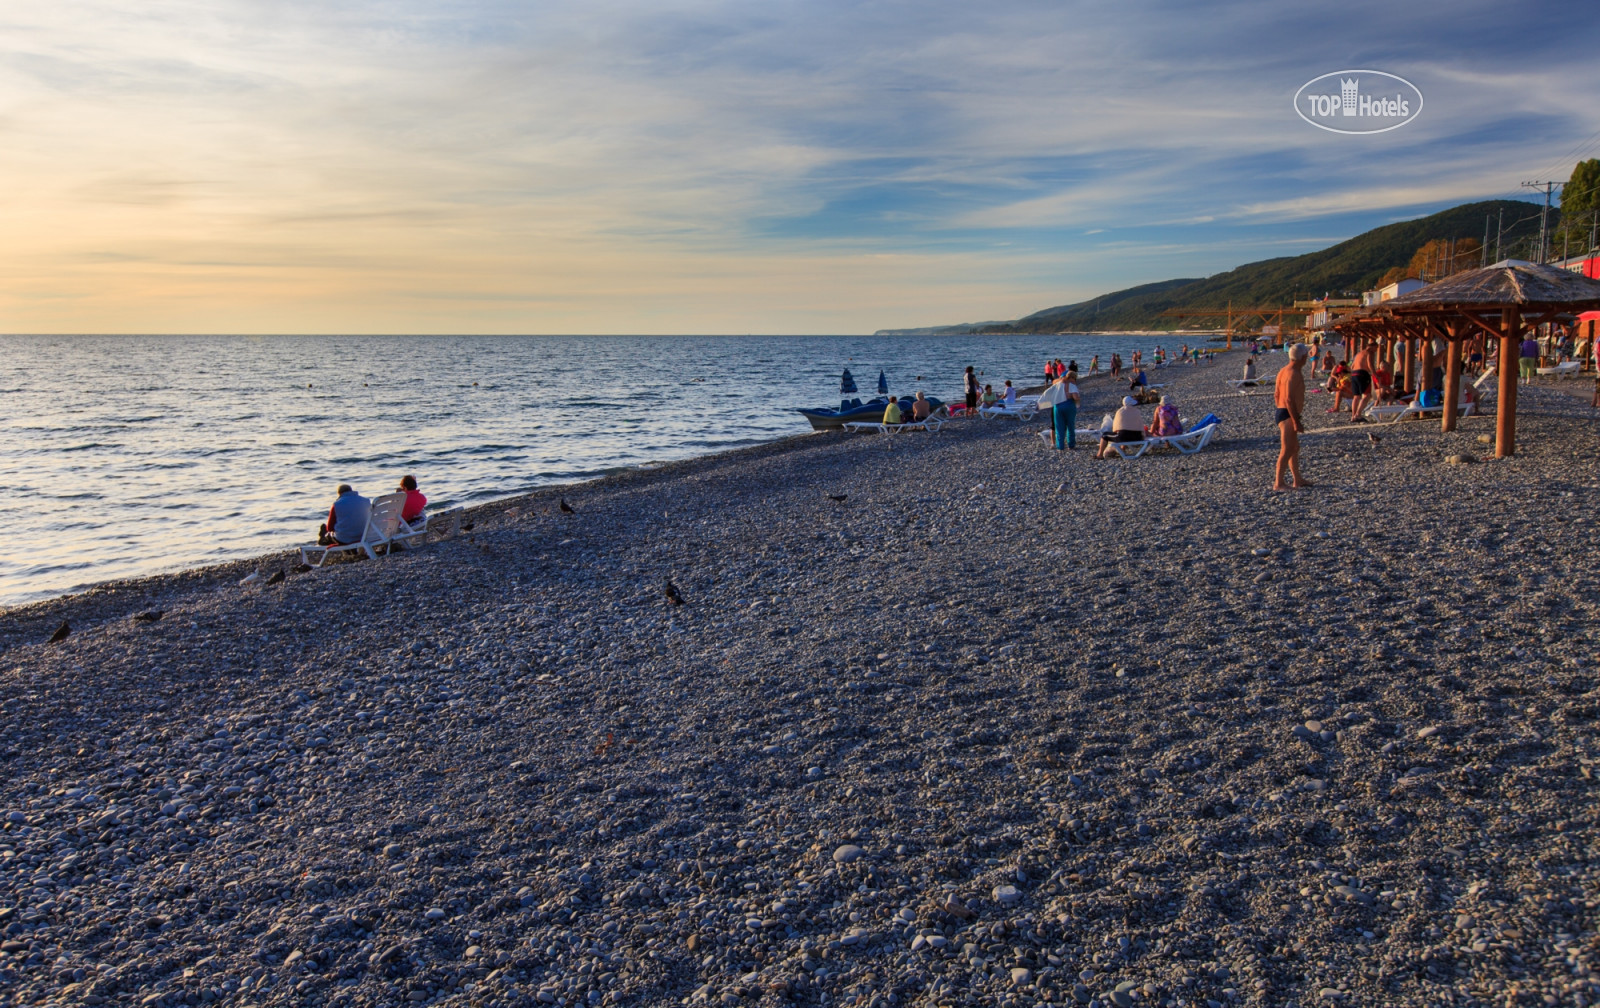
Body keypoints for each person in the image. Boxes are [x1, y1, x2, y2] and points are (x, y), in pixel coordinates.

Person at [1273, 344, 1310, 491]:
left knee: (1294, 448)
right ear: (1303, 357)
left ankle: (1297, 480)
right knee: (1287, 449)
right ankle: (1279, 483)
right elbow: (1288, 399)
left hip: (1284, 411)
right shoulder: (1292, 373)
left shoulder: (1284, 370)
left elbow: (1276, 394)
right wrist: (1295, 421)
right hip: (1287, 413)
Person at [1050, 369, 1080, 450]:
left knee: (1059, 427)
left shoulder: (1058, 384)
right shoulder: (1072, 386)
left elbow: (1053, 383)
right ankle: (1071, 445)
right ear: (1072, 378)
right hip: (1069, 405)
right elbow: (1076, 397)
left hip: (1058, 406)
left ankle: (1060, 446)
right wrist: (1077, 401)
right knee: (1070, 426)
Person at [1348, 343, 1375, 422]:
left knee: (1356, 396)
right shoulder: (1369, 353)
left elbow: (1351, 366)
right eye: (1375, 348)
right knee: (1367, 395)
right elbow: (1370, 365)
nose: (1376, 351)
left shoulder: (1358, 354)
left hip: (1354, 374)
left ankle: (1353, 416)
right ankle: (1358, 414)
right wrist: (1374, 374)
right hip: (1362, 374)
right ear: (1372, 347)